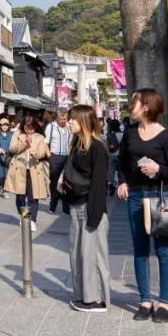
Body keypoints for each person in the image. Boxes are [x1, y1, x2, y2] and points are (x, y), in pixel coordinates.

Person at [117, 88, 168, 323]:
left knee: (163, 250)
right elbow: (122, 162)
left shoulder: (166, 136)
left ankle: (165, 303)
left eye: (134, 102)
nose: (130, 105)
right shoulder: (130, 133)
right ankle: (145, 301)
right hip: (135, 196)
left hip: (159, 195)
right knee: (140, 250)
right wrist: (122, 182)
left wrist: (158, 169)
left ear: (146, 106)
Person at [64, 105, 110, 312]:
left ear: (83, 120)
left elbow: (100, 183)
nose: (69, 122)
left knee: (93, 254)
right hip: (76, 205)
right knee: (78, 254)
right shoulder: (76, 143)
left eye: (73, 119)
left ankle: (96, 299)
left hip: (91, 208)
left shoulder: (98, 146)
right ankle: (84, 296)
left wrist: (95, 213)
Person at [6, 116, 50, 232]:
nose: (30, 131)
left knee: (33, 197)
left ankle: (32, 220)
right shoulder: (17, 134)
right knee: (20, 197)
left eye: (32, 128)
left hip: (34, 169)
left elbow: (42, 152)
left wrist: (36, 154)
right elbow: (12, 148)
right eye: (27, 128)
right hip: (19, 169)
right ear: (23, 126)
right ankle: (25, 217)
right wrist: (24, 145)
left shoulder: (40, 137)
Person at [45, 109, 72, 214]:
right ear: (57, 117)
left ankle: (66, 209)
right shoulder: (51, 127)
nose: (63, 121)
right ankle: (53, 206)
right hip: (55, 157)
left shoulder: (69, 127)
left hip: (67, 157)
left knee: (67, 183)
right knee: (55, 183)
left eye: (65, 118)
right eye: (61, 118)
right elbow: (45, 142)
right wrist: (49, 155)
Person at [0, 117, 14, 198]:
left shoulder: (11, 135)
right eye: (3, 125)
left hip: (8, 158)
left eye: (6, 125)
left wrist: (9, 151)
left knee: (6, 175)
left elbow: (13, 146)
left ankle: (5, 191)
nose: (5, 127)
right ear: (0, 126)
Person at [105, 118, 122, 194]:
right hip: (120, 155)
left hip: (111, 155)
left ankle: (111, 185)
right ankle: (120, 185)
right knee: (120, 171)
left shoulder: (109, 135)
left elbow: (106, 146)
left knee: (111, 171)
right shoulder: (122, 134)